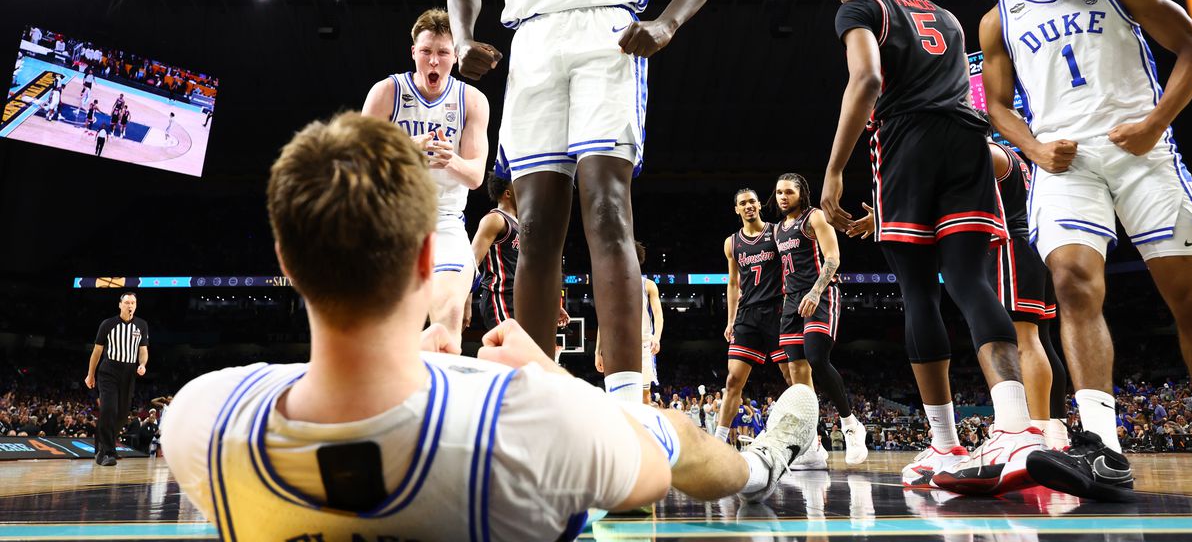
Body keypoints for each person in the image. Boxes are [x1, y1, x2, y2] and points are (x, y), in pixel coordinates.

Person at [160, 112, 819, 540]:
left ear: (285, 261)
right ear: (426, 256)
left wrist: (413, 363)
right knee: (666, 429)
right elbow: (649, 476)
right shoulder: (525, 420)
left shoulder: (199, 418)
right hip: (522, 408)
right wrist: (549, 378)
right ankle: (760, 468)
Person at [447, 0, 723, 404]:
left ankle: (628, 396)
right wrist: (463, 40)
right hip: (535, 42)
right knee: (537, 225)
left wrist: (667, 23)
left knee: (606, 210)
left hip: (608, 37)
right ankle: (536, 394)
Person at [980, 0, 1192, 501]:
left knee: (1191, 300)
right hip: (1062, 162)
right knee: (1073, 283)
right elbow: (997, 105)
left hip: (1142, 152)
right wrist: (1032, 148)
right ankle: (1103, 448)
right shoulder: (999, 18)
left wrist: (1157, 122)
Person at [821, 0, 1041, 496]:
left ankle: (945, 444)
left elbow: (867, 78)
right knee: (971, 283)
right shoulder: (944, 13)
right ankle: (1016, 428)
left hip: (906, 141)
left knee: (919, 293)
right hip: (968, 141)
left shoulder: (858, 8)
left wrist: (833, 171)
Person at [849, 136, 1071, 450]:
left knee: (1025, 340)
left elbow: (942, 193)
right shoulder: (1016, 158)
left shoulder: (985, 152)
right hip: (1034, 244)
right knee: (1041, 340)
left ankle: (1033, 432)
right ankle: (1056, 433)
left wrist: (892, 213)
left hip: (1009, 246)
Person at [363, 9, 489, 345]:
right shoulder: (386, 92)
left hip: (445, 221)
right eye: (427, 52)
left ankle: (442, 395)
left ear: (456, 55)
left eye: (443, 53)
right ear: (414, 52)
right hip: (393, 221)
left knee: (446, 323)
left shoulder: (471, 100)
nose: (434, 62)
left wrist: (451, 161)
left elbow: (476, 175)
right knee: (387, 332)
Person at [773, 172, 868, 466]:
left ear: (802, 193)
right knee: (798, 376)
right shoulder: (777, 230)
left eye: (789, 191)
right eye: (778, 192)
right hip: (791, 302)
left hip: (821, 293)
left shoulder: (814, 218)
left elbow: (833, 257)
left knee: (816, 357)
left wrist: (815, 292)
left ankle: (851, 425)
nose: (783, 197)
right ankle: (812, 444)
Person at [716, 190, 791, 440]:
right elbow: (733, 283)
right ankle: (719, 439)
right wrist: (730, 320)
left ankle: (811, 441)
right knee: (732, 381)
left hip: (777, 311)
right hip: (747, 316)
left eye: (751, 201)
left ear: (759, 205)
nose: (748, 206)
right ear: (736, 209)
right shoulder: (731, 242)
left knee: (792, 377)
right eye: (742, 203)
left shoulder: (777, 232)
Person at [84, 291, 149, 466]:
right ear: (120, 305)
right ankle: (108, 453)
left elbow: (143, 350)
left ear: (136, 305)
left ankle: (101, 449)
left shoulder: (142, 325)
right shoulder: (108, 324)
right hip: (109, 370)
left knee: (122, 414)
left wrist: (142, 364)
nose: (130, 305)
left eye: (133, 303)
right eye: (127, 302)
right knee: (108, 410)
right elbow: (97, 351)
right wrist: (90, 375)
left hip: (129, 372)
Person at [595, 241, 662, 404]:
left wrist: (657, 337)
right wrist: (598, 351)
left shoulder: (648, 285)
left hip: (643, 343)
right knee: (616, 396)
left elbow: (658, 315)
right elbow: (603, 320)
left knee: (645, 396)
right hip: (616, 344)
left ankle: (645, 429)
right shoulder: (611, 286)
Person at [471, 172, 520, 331]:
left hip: (517, 299)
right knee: (509, 351)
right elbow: (472, 262)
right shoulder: (495, 219)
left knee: (520, 353)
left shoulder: (519, 223)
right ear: (508, 193)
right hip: (498, 296)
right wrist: (466, 301)